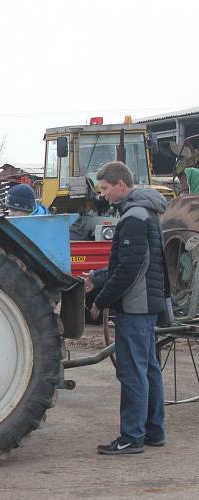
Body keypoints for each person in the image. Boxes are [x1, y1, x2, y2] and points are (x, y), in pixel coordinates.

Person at [83, 161, 168, 455]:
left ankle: (132, 437)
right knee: (149, 368)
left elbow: (128, 270)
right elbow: (130, 264)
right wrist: (96, 277)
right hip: (146, 303)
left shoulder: (133, 217)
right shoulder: (145, 213)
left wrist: (100, 300)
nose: (104, 195)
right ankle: (154, 431)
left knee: (132, 372)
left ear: (121, 185)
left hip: (135, 306)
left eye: (106, 189)